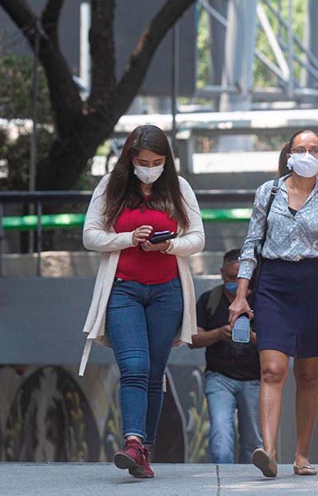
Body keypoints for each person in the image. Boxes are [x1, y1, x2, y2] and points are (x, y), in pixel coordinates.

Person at [81, 124, 205, 478]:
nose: (150, 167)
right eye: (144, 161)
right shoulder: (111, 186)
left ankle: (143, 452)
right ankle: (133, 442)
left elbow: (197, 237)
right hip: (123, 290)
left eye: (158, 161)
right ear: (131, 160)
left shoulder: (179, 188)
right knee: (134, 366)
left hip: (167, 292)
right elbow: (90, 235)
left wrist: (169, 245)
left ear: (167, 161)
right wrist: (127, 238)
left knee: (153, 372)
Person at [228, 130, 318, 478]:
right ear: (289, 155)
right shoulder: (268, 192)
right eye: (301, 149)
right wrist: (240, 295)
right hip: (273, 286)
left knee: (308, 375)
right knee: (272, 370)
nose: (307, 154)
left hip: (315, 287)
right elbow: (251, 244)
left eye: (315, 150)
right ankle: (268, 451)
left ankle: (301, 455)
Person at [191, 249, 262, 464]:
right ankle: (221, 482)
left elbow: (277, 343)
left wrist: (250, 337)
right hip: (219, 377)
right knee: (220, 439)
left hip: (255, 380)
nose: (235, 282)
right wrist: (218, 334)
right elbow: (192, 339)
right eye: (231, 277)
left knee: (253, 445)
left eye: (241, 278)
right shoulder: (210, 299)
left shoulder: (262, 300)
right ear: (222, 273)